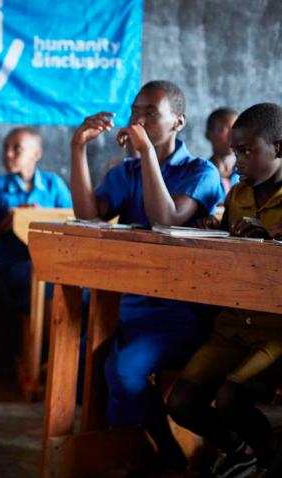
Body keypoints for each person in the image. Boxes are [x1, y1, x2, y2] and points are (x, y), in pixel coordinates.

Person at [69, 80, 224, 473]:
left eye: (150, 113)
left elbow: (166, 220)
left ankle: (159, 451)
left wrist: (147, 154)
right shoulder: (128, 171)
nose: (138, 119)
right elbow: (89, 215)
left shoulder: (200, 172)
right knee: (90, 359)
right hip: (132, 305)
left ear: (179, 122)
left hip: (182, 312)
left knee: (122, 369)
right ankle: (149, 449)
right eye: (135, 111)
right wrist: (78, 147)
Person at [167, 103, 282, 477]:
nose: (238, 160)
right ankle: (240, 451)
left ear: (279, 149)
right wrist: (211, 230)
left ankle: (269, 460)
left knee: (230, 398)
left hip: (275, 329)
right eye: (235, 152)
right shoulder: (236, 196)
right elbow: (231, 247)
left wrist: (272, 244)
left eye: (247, 151)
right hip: (233, 324)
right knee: (181, 401)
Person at [0, 127, 71, 314]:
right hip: (15, 264)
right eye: (5, 148)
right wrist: (14, 219)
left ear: (36, 154)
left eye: (17, 149)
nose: (8, 154)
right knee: (39, 278)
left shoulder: (53, 184)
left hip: (54, 259)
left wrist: (42, 217)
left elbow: (73, 224)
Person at [206, 107, 240, 194]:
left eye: (235, 130)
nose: (231, 136)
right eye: (223, 130)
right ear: (208, 135)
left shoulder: (250, 173)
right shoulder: (202, 173)